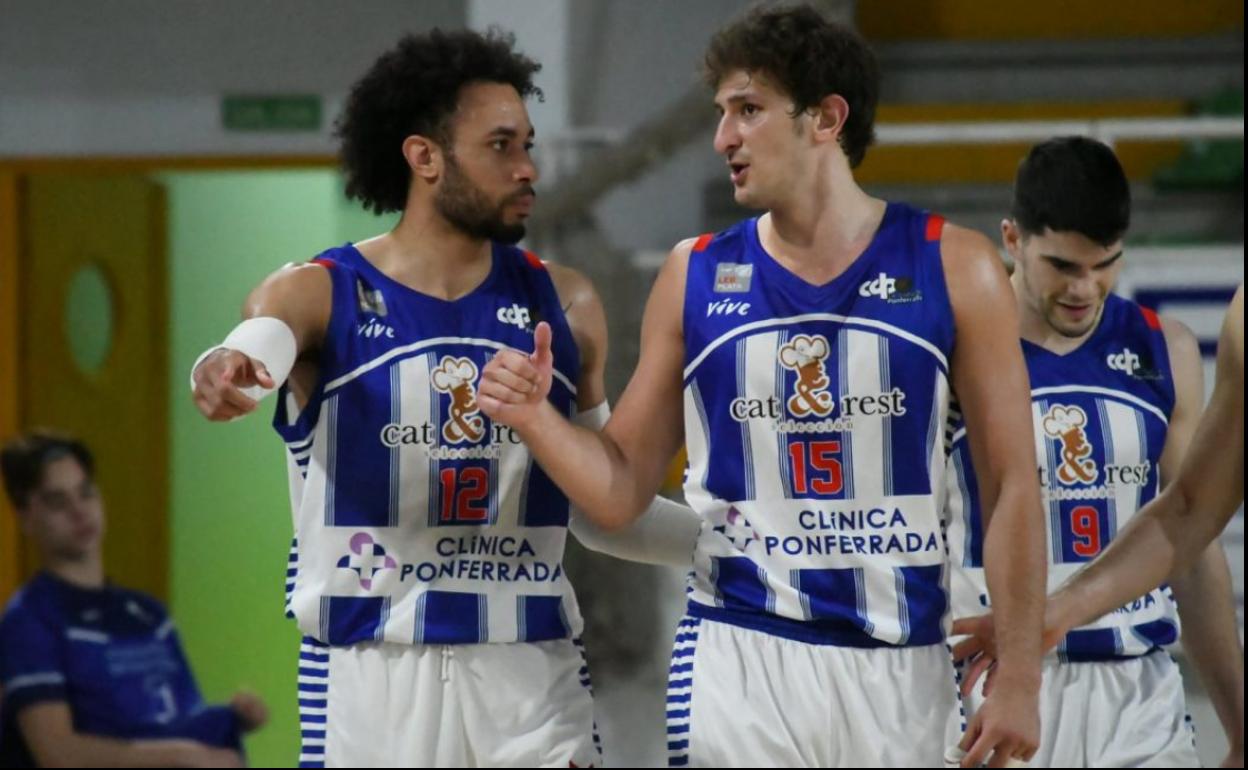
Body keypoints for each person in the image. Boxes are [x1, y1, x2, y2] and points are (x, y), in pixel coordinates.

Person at [477, 5, 1045, 767]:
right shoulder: (695, 272)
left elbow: (1012, 486)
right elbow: (617, 496)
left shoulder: (956, 265)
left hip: (905, 667)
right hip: (741, 658)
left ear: (826, 119)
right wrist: (536, 417)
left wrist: (1022, 676)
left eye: (748, 110)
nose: (723, 139)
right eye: (722, 114)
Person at [189, 27, 700, 768]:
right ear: (424, 157)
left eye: (528, 145)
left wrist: (744, 546)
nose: (527, 168)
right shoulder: (318, 293)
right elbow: (259, 339)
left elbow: (603, 509)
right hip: (372, 681)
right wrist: (224, 363)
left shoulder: (568, 304)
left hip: (531, 681)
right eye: (501, 146)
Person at [944, 137, 1243, 767]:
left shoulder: (1166, 349)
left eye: (1104, 264)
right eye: (1063, 266)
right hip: (993, 680)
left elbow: (1192, 543)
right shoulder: (952, 352)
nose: (1086, 287)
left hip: (1136, 692)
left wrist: (1240, 721)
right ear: (1012, 239)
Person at [0, 431, 266, 768]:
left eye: (86, 492)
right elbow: (59, 754)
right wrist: (181, 757)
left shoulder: (149, 615)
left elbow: (182, 720)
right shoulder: (30, 619)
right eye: (57, 501)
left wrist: (233, 719)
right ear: (25, 517)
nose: (79, 511)